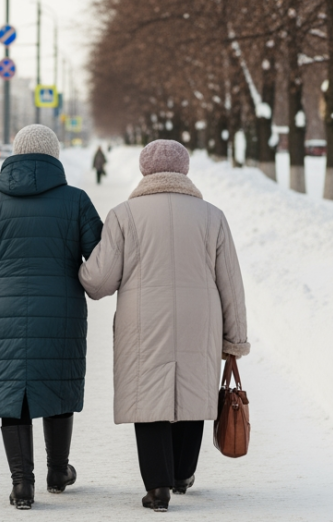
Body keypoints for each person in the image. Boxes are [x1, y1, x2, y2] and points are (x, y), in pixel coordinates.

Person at [78, 139, 249, 512]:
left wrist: (80, 267)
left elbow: (99, 282)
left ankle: (158, 487)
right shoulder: (212, 216)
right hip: (199, 318)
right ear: (184, 169)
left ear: (144, 169)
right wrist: (235, 339)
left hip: (144, 318)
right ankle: (183, 474)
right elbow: (231, 283)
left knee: (148, 395)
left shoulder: (124, 215)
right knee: (192, 388)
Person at [0, 124, 104, 510]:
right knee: (57, 386)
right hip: (61, 312)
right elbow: (102, 258)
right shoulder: (76, 201)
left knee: (13, 394)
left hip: (2, 315)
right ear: (54, 155)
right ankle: (58, 472)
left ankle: (22, 484)